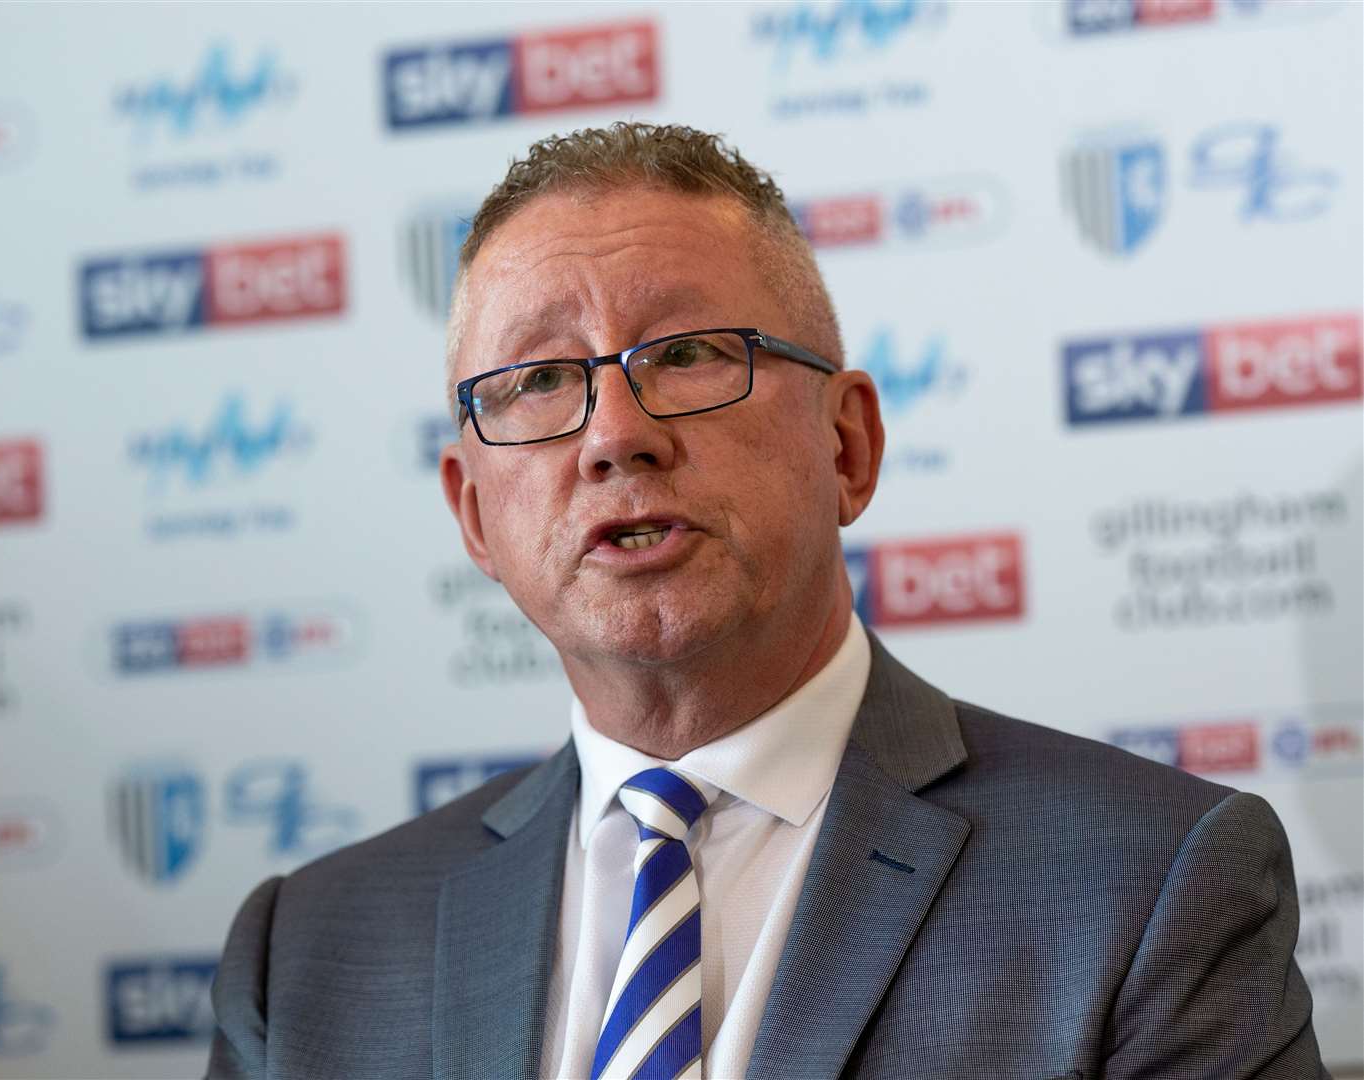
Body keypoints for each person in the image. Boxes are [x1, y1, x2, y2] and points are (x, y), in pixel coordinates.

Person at [207, 123, 1328, 1080]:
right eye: (538, 380)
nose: (613, 435)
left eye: (689, 353)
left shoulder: (1149, 887)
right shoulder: (306, 957)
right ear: (473, 517)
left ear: (847, 446)